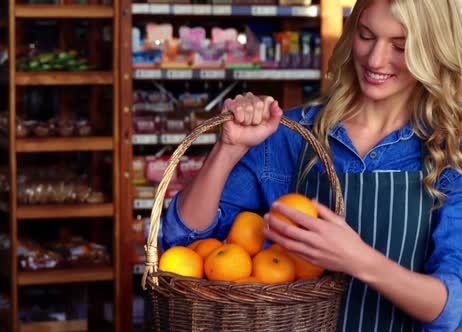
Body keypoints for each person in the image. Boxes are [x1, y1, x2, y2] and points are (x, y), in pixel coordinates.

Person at [159, 0, 462, 331]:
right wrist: (228, 149)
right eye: (365, 35)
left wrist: (357, 259)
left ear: (433, 50)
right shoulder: (290, 135)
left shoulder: (448, 154)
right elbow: (182, 241)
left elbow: (450, 308)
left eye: (400, 46)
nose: (375, 59)